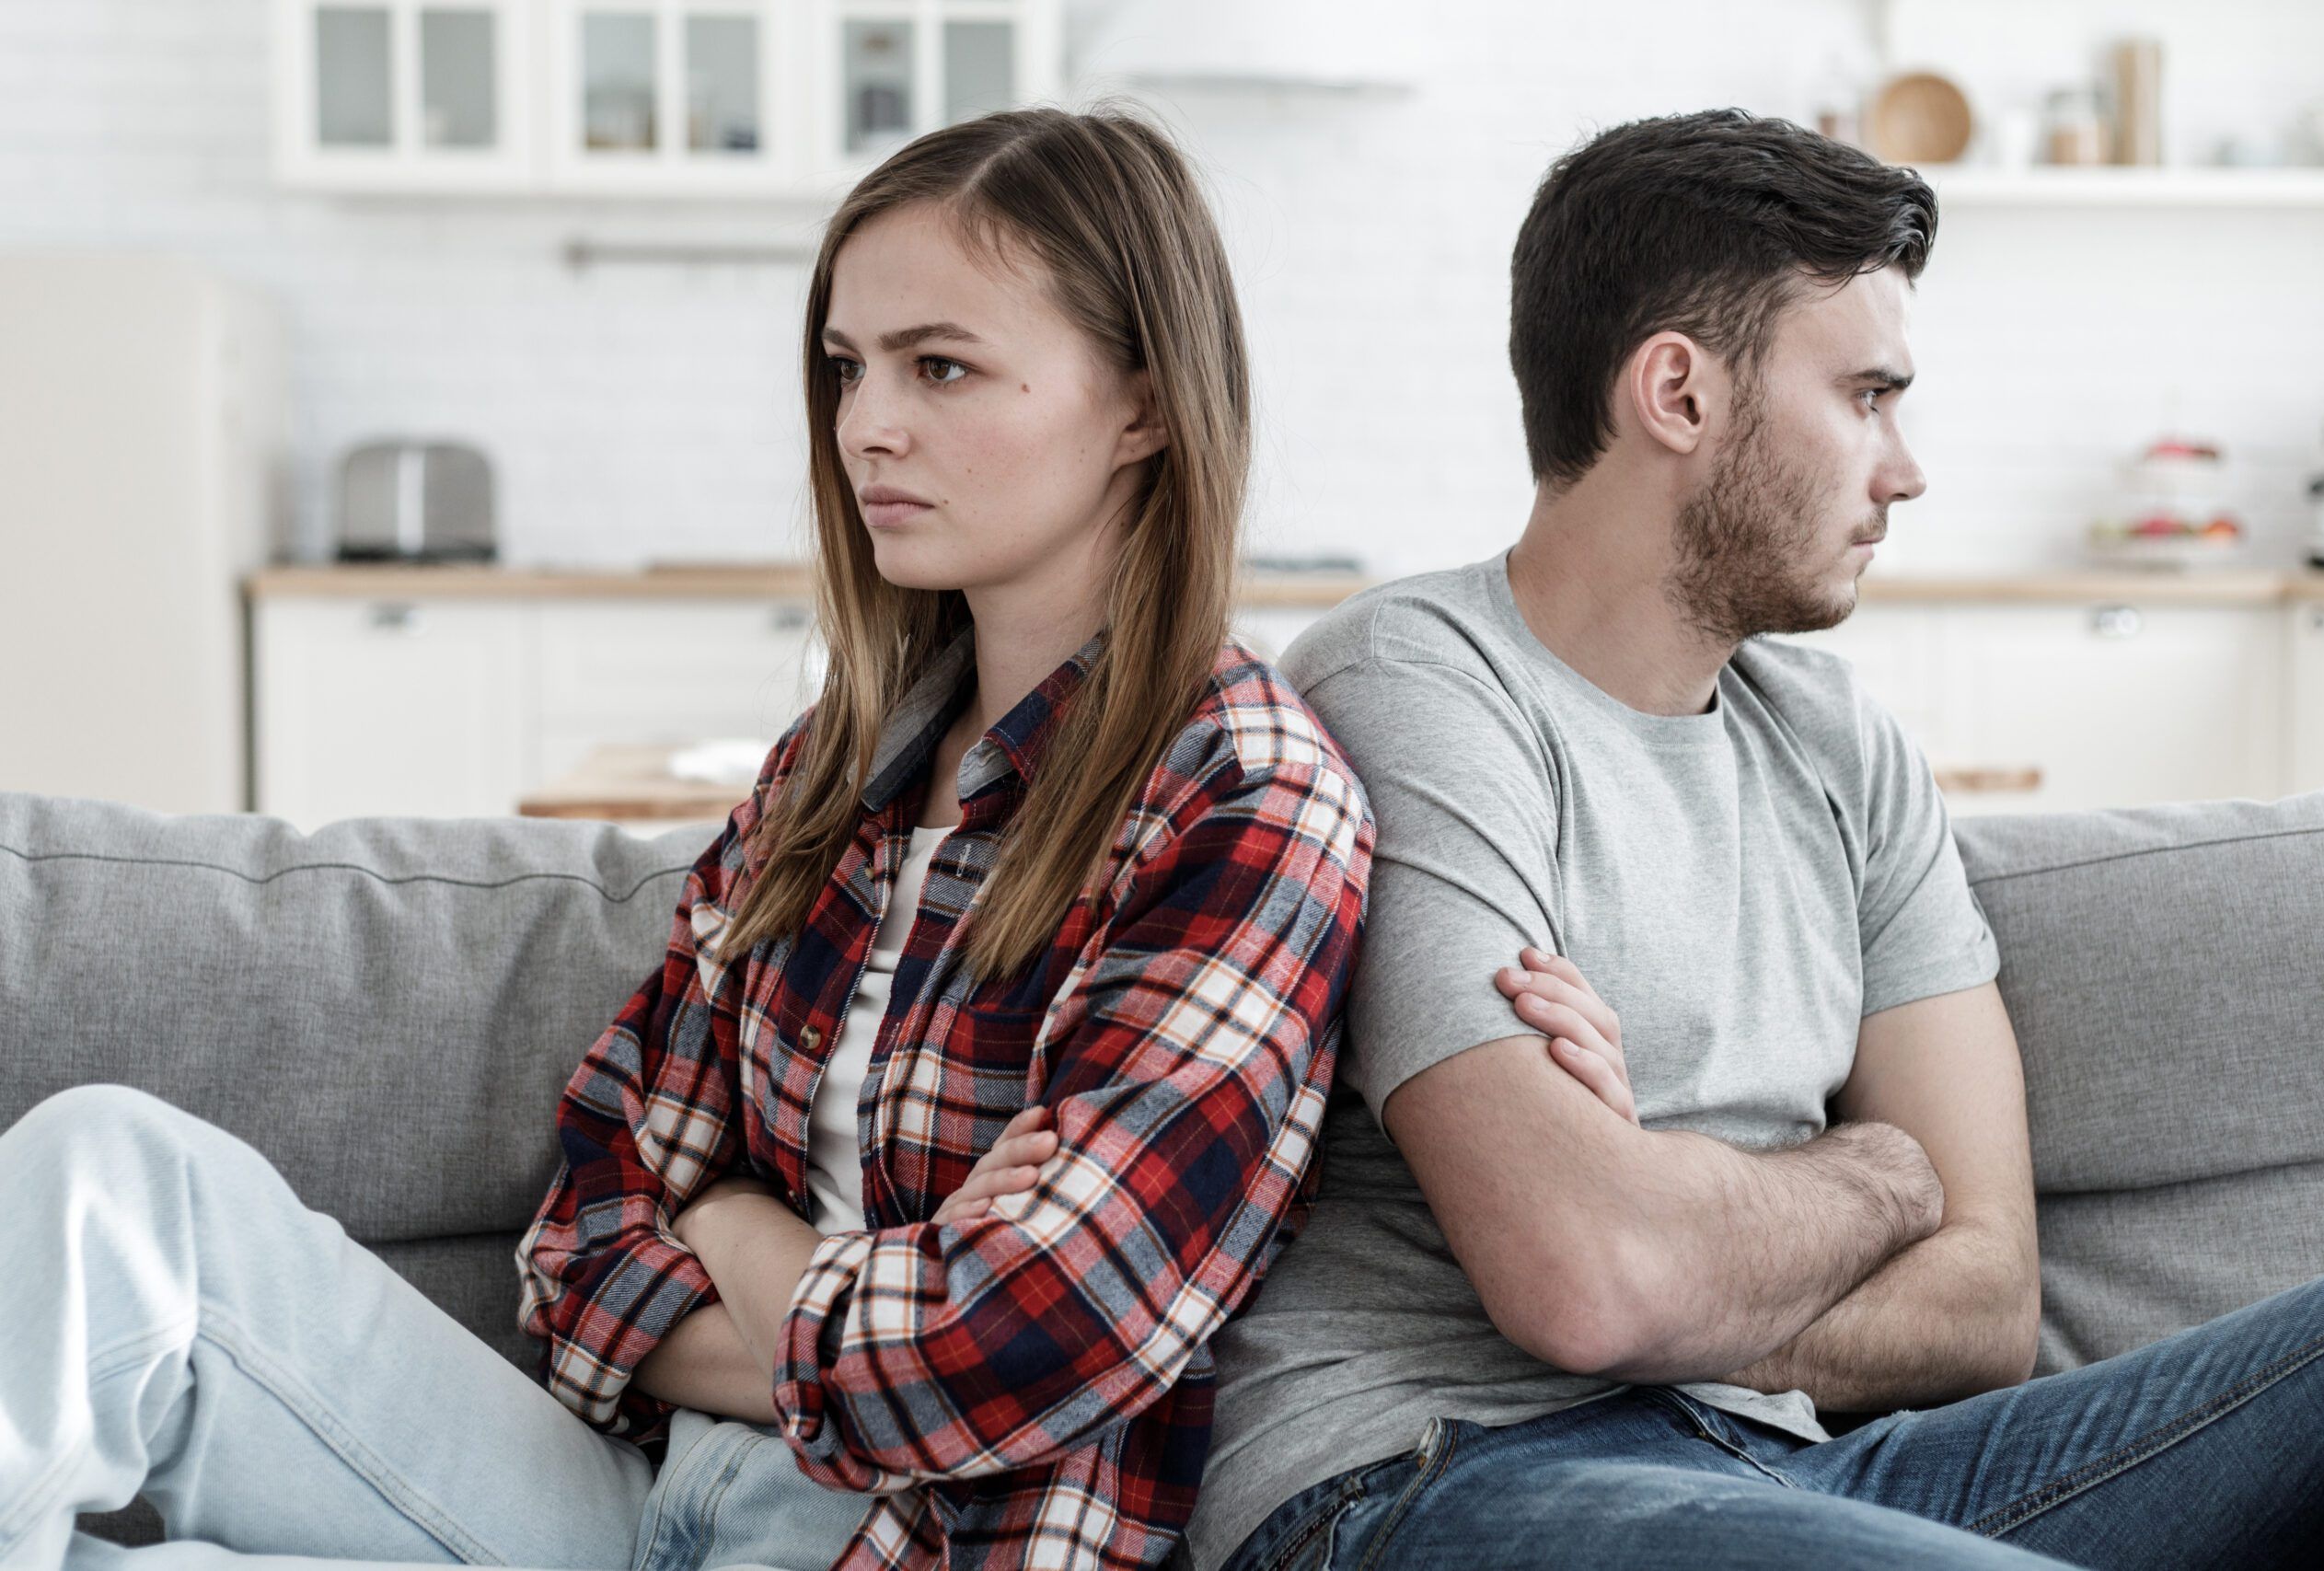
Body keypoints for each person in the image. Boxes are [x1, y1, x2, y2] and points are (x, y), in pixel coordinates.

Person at [1, 105, 1370, 1571]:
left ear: (1145, 406)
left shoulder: (1244, 800)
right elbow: (578, 1239)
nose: (867, 427)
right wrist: (848, 1282)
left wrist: (731, 1224)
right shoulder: (831, 775)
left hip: (898, 1548)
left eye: (942, 367)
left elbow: (1011, 1354)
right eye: (849, 368)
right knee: (108, 1173)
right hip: (637, 1498)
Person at [1183, 108, 2324, 1571]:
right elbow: (1589, 1283)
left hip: (1808, 1462)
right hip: (1437, 1463)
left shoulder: (1841, 746)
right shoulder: (1414, 684)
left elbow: (1988, 1302)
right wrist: (1879, 1180)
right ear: (1678, 390)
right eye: (1866, 395)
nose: (1904, 467)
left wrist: (1673, 1218)